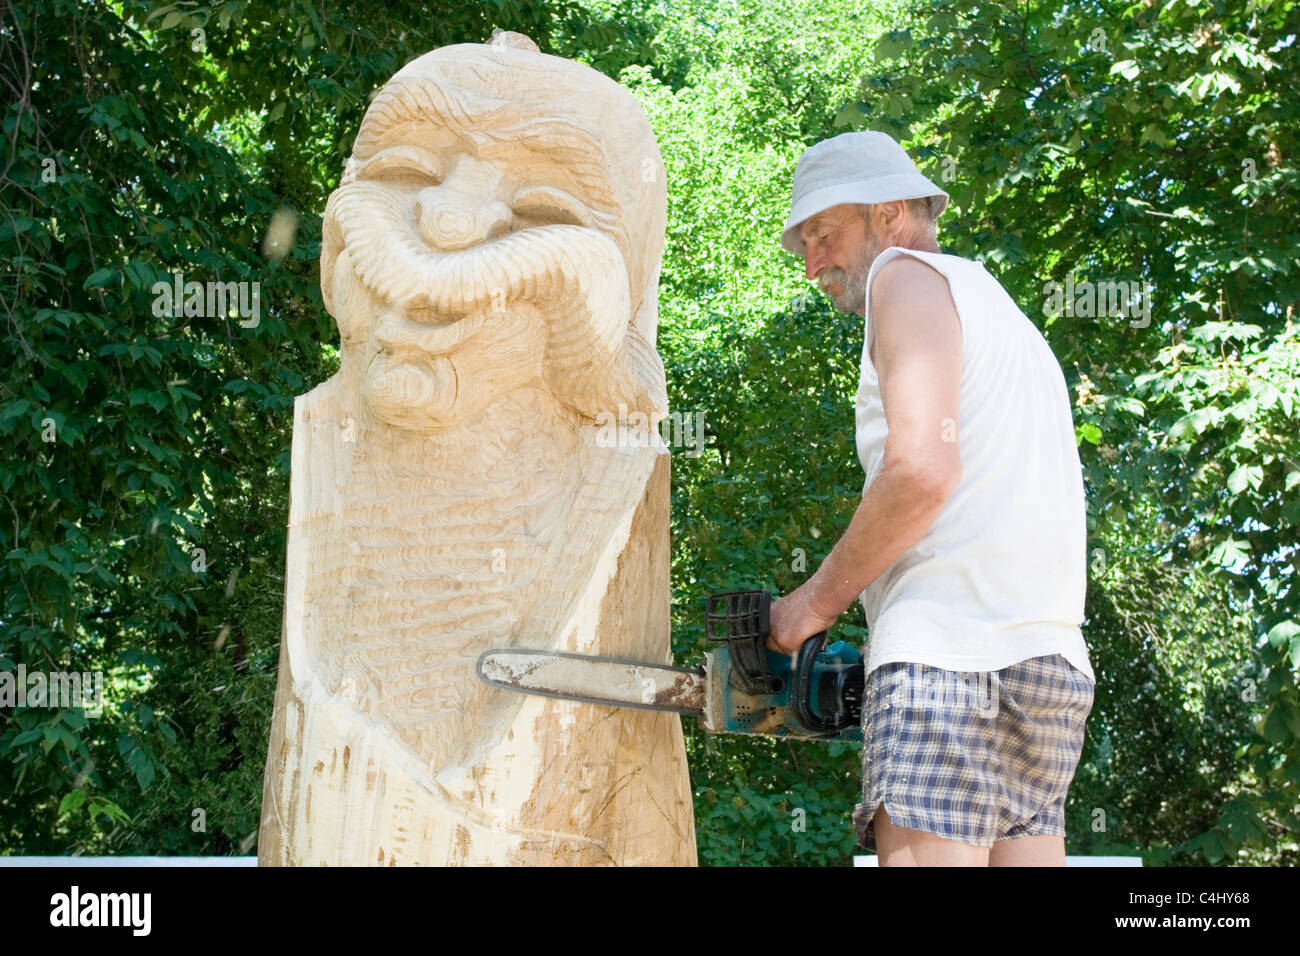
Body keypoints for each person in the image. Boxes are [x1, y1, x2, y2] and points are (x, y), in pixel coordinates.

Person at [767, 130, 1095, 866]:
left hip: (948, 659)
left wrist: (809, 609)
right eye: (804, 245)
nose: (813, 262)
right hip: (1047, 663)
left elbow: (920, 470)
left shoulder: (904, 277)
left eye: (824, 233)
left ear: (888, 214)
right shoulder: (1003, 313)